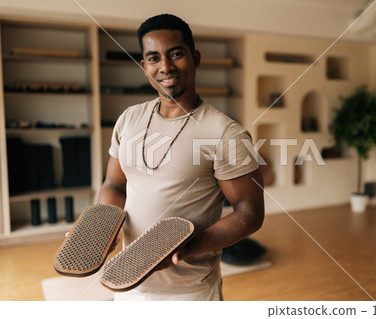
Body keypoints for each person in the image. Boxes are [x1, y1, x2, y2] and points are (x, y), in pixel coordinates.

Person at [98, 13, 265, 301]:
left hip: (190, 292)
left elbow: (249, 213)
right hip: (129, 282)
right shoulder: (129, 119)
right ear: (144, 66)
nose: (165, 66)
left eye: (176, 54)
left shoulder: (224, 133)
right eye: (153, 58)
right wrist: (102, 228)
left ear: (195, 57)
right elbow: (114, 184)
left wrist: (186, 246)